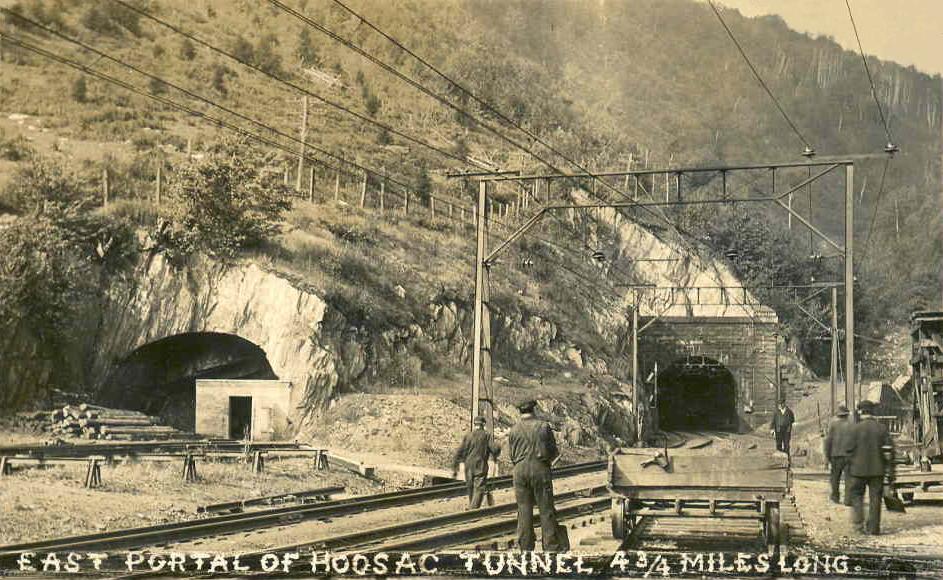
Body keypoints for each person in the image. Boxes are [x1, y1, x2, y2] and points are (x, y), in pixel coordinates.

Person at [507, 399, 567, 551]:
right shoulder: (543, 426)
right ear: (534, 410)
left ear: (520, 412)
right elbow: (553, 451)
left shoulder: (513, 429)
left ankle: (525, 548)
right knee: (546, 509)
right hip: (540, 469)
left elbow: (512, 456)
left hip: (519, 471)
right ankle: (551, 548)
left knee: (523, 510)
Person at [848, 400, 895, 535]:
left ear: (861, 412)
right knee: (875, 499)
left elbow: (848, 450)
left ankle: (858, 526)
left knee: (857, 497)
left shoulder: (855, 429)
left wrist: (851, 465)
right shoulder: (881, 428)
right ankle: (873, 528)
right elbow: (889, 451)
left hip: (858, 471)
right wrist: (890, 472)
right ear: (872, 412)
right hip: (877, 471)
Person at [451, 415, 501, 509]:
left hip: (468, 466)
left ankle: (472, 506)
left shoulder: (468, 435)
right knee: (479, 488)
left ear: (475, 424)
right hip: (480, 465)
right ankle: (473, 510)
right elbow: (494, 449)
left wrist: (455, 467)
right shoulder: (486, 435)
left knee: (470, 488)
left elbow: (460, 451)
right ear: (483, 425)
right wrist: (498, 447)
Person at [824, 405, 855, 505]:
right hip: (848, 454)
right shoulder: (852, 423)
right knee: (849, 478)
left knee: (835, 477)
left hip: (835, 455)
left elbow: (828, 440)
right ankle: (848, 499)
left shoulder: (833, 423)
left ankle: (835, 497)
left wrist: (827, 455)